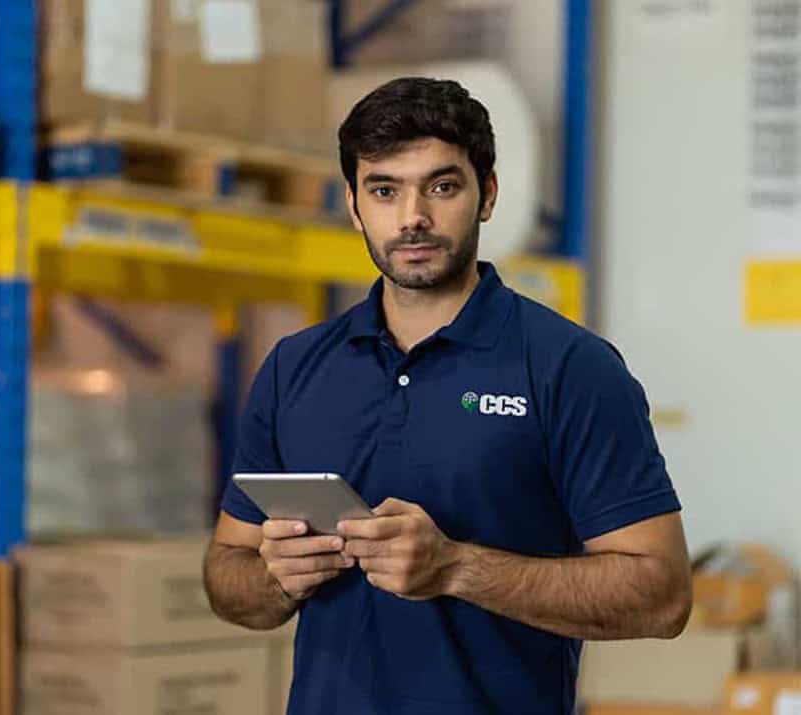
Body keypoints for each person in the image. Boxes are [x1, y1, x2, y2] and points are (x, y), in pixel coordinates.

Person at [203, 77, 692, 714]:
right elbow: (226, 573)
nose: (413, 218)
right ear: (354, 205)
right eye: (384, 190)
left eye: (442, 186)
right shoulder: (294, 368)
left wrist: (457, 568)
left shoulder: (569, 366)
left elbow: (663, 595)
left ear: (486, 196)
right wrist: (275, 578)